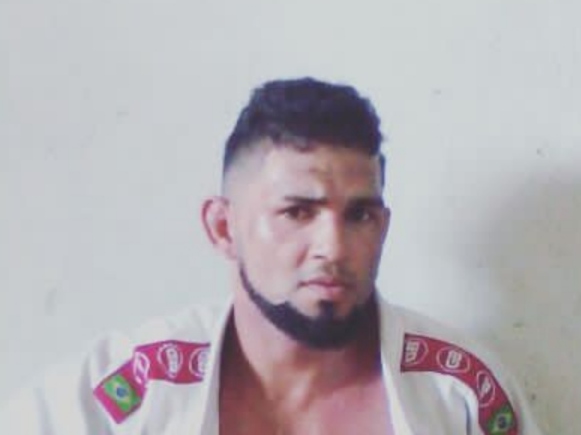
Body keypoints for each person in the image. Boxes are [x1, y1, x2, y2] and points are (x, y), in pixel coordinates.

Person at [0, 78, 544, 434]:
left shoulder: (461, 393)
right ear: (222, 228)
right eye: (298, 212)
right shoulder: (127, 393)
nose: (333, 248)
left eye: (358, 215)